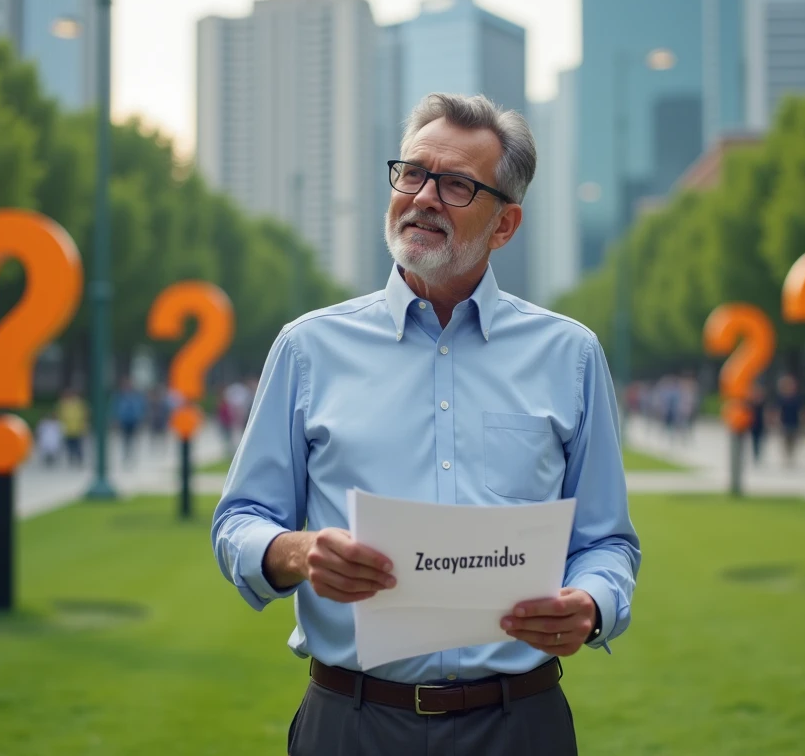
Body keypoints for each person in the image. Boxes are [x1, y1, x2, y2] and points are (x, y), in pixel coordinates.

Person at [212, 93, 639, 756]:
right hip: (351, 723)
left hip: (519, 725)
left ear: (505, 224)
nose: (424, 197)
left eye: (456, 185)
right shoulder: (307, 348)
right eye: (412, 173)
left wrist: (592, 604)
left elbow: (607, 541)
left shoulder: (570, 355)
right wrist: (300, 552)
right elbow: (239, 521)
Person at [774, 374, 805, 467]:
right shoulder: (781, 398)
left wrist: (804, 421)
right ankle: (787, 456)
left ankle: (791, 455)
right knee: (785, 441)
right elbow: (777, 411)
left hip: (795, 422)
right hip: (784, 422)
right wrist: (776, 421)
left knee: (793, 441)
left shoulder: (797, 398)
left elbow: (801, 411)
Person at [113, 377, 145, 465]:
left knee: (133, 439)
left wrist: (140, 418)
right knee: (125, 439)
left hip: (133, 420)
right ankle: (126, 455)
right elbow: (116, 408)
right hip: (124, 421)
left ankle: (132, 455)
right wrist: (116, 419)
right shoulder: (119, 396)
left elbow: (140, 407)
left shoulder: (136, 396)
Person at [56, 388, 88, 468]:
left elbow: (84, 414)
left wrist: (84, 425)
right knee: (69, 446)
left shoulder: (78, 403)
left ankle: (79, 459)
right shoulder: (63, 403)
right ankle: (71, 459)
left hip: (77, 428)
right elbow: (59, 415)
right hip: (67, 429)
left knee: (78, 445)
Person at [747, 384, 768, 465]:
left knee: (761, 441)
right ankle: (756, 455)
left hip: (762, 425)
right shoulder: (751, 403)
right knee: (755, 441)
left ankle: (759, 454)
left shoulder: (763, 402)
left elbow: (767, 413)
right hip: (754, 425)